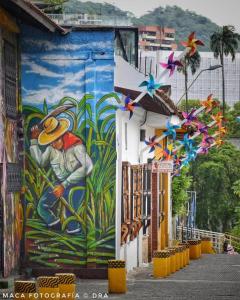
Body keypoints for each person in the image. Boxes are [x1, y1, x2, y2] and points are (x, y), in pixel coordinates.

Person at [30, 116, 93, 234]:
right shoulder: (50, 149)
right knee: (41, 207)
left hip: (76, 184)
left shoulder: (77, 147)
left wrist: (64, 185)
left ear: (63, 136)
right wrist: (33, 142)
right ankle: (56, 227)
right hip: (59, 183)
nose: (52, 144)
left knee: (70, 214)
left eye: (55, 140)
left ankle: (74, 233)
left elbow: (88, 166)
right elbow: (40, 162)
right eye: (50, 141)